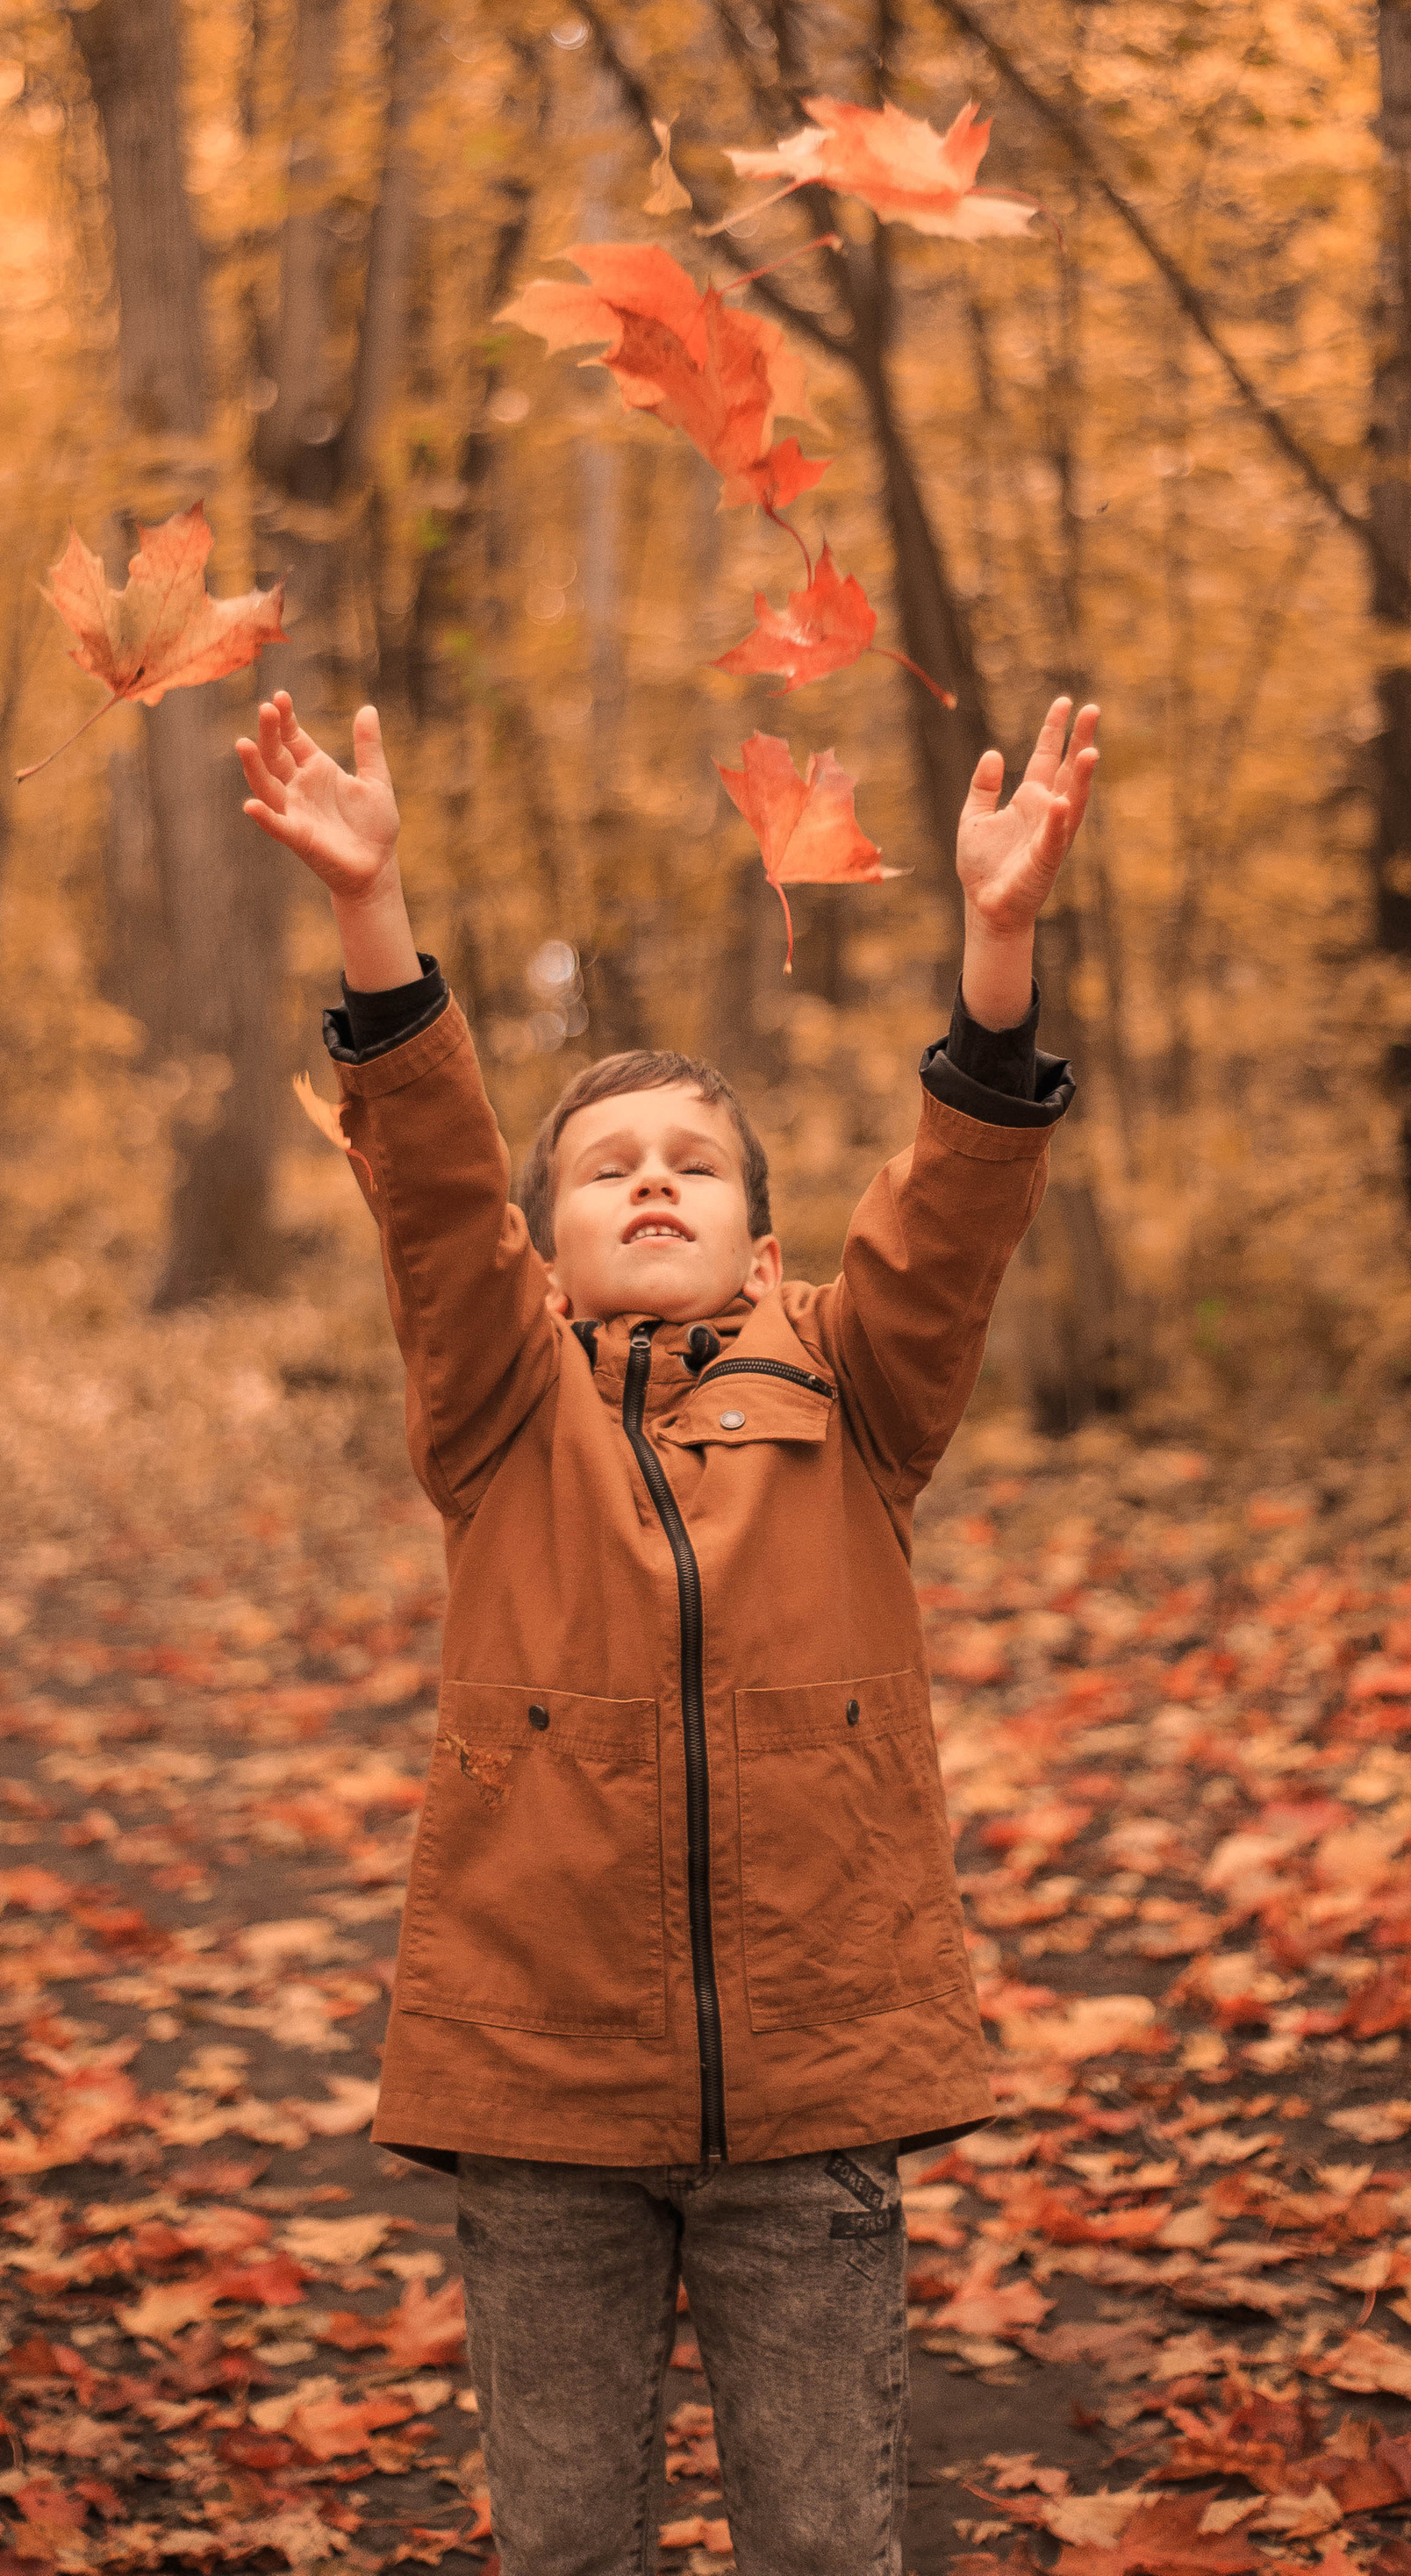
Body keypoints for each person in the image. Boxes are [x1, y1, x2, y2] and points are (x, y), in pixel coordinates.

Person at [236, 687, 1099, 2576]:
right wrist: (373, 920)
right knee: (563, 2547)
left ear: (763, 1243)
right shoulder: (498, 1406)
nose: (647, 1178)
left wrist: (999, 948)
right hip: (540, 2095)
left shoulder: (854, 1388)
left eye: (691, 1162)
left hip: (810, 2089)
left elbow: (951, 1211)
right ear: (545, 1250)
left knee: (824, 2543)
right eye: (604, 1163)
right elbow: (437, 1190)